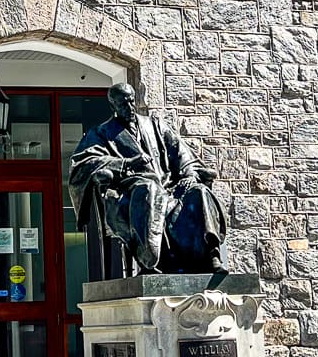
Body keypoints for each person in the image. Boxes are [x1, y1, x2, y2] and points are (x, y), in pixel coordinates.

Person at [69, 81, 228, 275]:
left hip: (169, 187)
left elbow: (181, 152)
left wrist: (189, 174)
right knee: (148, 190)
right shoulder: (101, 133)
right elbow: (83, 163)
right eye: (122, 104)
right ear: (113, 106)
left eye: (131, 101)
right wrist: (126, 163)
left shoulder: (155, 125)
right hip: (132, 188)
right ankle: (149, 261)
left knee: (199, 192)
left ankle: (210, 255)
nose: (129, 107)